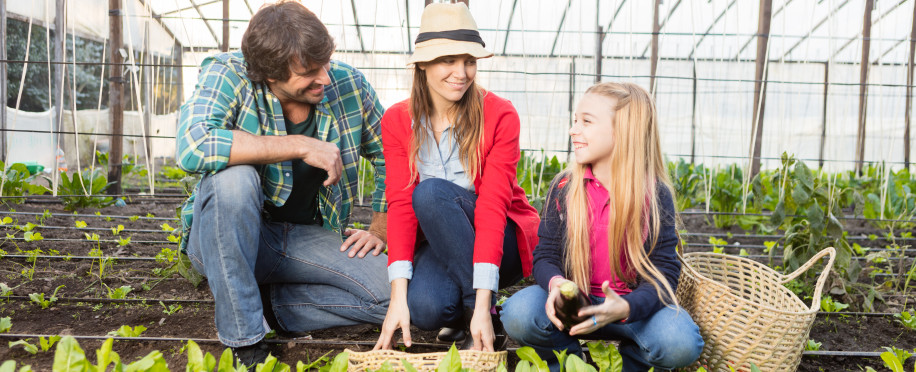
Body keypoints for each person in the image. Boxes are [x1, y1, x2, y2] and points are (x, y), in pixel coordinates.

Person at [175, 1, 389, 366]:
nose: (324, 77)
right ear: (269, 75)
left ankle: (271, 306)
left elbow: (392, 154)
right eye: (309, 71)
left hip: (304, 237)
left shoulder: (349, 84)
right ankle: (245, 340)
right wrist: (299, 145)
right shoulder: (230, 75)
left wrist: (381, 228)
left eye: (325, 62)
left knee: (396, 296)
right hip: (225, 236)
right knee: (233, 179)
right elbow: (193, 144)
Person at [500, 82, 704, 372]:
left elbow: (665, 274)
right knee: (518, 312)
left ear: (622, 131)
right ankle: (569, 363)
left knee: (680, 342)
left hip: (633, 311)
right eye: (574, 121)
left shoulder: (655, 195)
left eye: (586, 121)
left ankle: (633, 364)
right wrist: (557, 284)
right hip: (574, 309)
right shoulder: (564, 188)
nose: (573, 130)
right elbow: (545, 255)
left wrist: (627, 307)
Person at [372, 2, 539, 352]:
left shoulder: (500, 115)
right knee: (426, 309)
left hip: (499, 240)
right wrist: (396, 299)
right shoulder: (397, 121)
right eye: (448, 60)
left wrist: (479, 305)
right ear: (423, 64)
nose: (461, 72)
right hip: (443, 242)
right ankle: (467, 312)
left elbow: (493, 207)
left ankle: (479, 310)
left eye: (469, 61)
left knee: (431, 193)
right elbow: (401, 206)